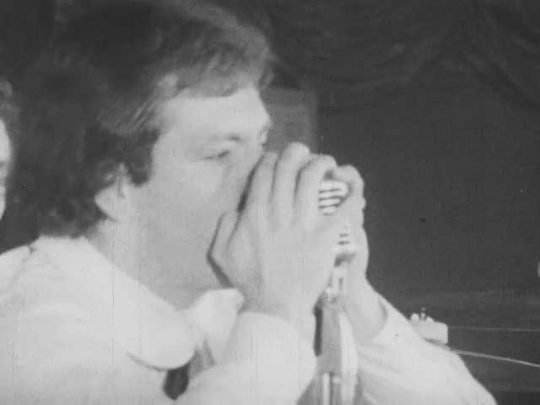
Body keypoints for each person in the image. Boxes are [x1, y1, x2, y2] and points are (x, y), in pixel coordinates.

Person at [0, 1, 495, 404]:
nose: (262, 175)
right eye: (220, 154)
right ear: (114, 186)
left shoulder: (215, 300)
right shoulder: (31, 341)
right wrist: (277, 311)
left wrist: (350, 294)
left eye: (259, 143)